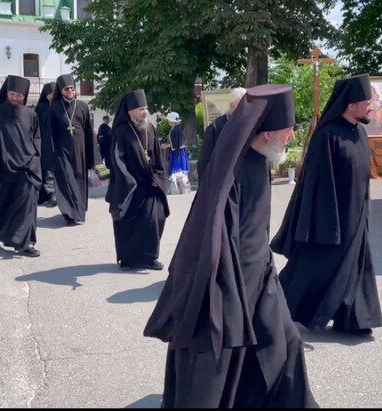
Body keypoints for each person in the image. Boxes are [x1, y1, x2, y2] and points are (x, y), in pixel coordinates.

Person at [144, 85, 317, 408]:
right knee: (217, 366)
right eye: (289, 129)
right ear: (265, 133)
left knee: (287, 343)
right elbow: (215, 240)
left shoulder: (259, 159)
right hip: (229, 285)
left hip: (260, 278)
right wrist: (231, 297)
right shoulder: (232, 170)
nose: (293, 137)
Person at [270, 74, 382, 336]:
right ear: (350, 104)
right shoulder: (327, 137)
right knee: (311, 267)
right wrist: (326, 223)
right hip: (331, 218)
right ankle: (274, 309)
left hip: (357, 217)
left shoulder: (360, 132)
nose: (370, 106)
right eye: (366, 101)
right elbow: (316, 184)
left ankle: (354, 318)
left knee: (355, 267)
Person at [0, 75, 42, 257]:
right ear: (7, 93)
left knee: (27, 206)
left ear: (24, 96)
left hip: (27, 169)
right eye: (13, 94)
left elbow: (37, 138)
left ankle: (23, 243)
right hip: (2, 168)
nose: (15, 98)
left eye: (19, 96)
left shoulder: (31, 115)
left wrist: (36, 159)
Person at [106, 89, 169, 271]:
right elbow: (117, 161)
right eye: (141, 109)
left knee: (156, 218)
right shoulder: (121, 131)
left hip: (149, 184)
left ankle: (150, 257)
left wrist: (159, 177)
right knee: (129, 223)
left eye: (146, 108)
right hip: (129, 186)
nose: (144, 112)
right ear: (130, 111)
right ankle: (128, 259)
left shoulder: (150, 129)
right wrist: (129, 181)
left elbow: (158, 158)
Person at [48, 74, 108, 226]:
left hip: (80, 152)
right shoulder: (54, 108)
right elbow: (50, 134)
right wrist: (50, 156)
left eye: (72, 89)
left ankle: (79, 212)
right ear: (61, 91)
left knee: (79, 183)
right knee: (67, 182)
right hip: (62, 153)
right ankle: (69, 214)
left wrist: (93, 157)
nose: (70, 91)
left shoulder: (82, 107)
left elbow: (88, 133)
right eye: (67, 89)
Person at [197, 87, 246, 185]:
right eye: (242, 106)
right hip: (224, 184)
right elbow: (204, 162)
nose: (246, 110)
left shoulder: (250, 126)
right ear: (232, 106)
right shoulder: (216, 128)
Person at [35, 82, 57, 207]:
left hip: (58, 142)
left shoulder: (61, 107)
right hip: (45, 142)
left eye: (54, 94)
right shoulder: (42, 107)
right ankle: (50, 193)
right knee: (47, 168)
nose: (52, 96)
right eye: (49, 94)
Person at [166, 111, 190, 189]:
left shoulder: (177, 129)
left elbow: (177, 142)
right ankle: (179, 187)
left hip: (177, 152)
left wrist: (167, 146)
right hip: (176, 151)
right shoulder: (175, 129)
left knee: (178, 169)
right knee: (178, 169)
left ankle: (179, 187)